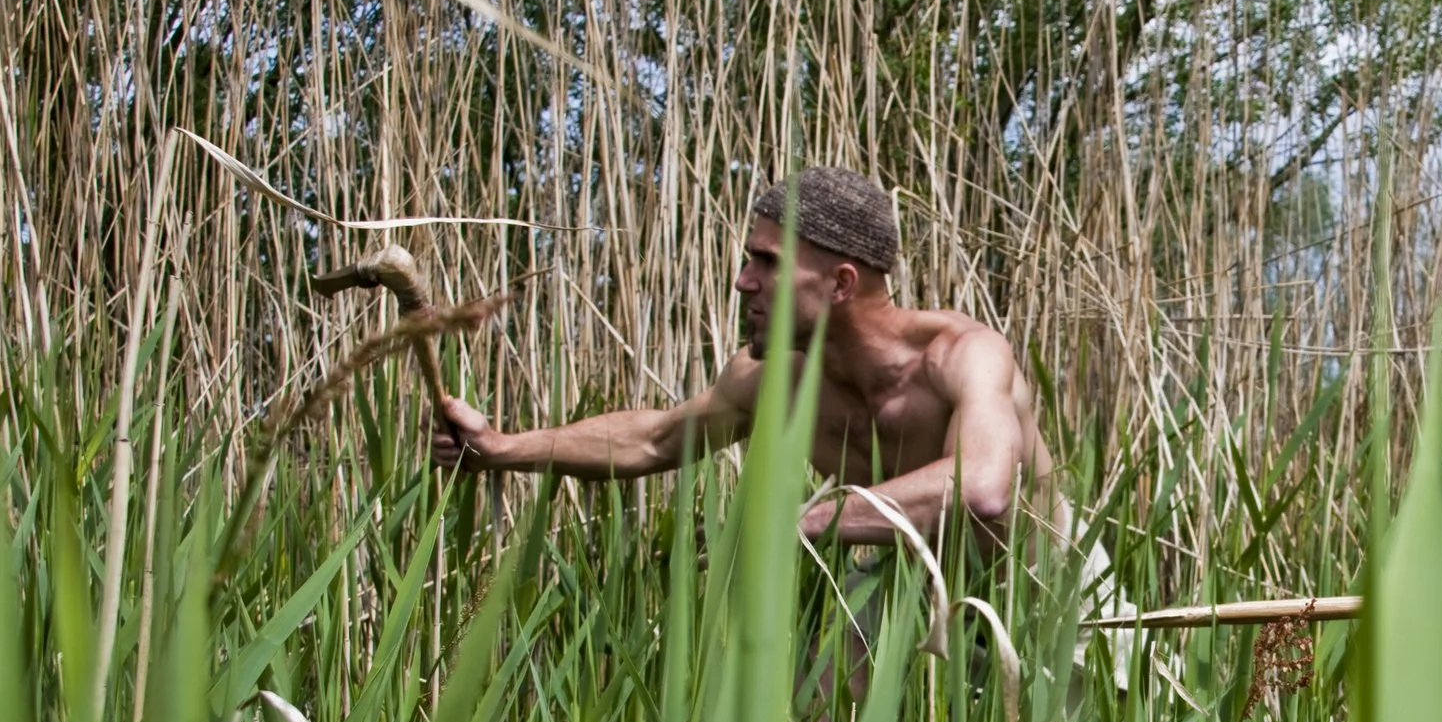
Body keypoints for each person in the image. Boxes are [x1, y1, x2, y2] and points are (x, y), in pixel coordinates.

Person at [430, 165, 1055, 548]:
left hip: (1043, 592)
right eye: (748, 257)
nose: (742, 281)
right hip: (911, 577)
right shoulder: (771, 380)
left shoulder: (963, 356)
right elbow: (655, 441)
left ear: (840, 284)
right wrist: (505, 448)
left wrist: (802, 525)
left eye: (769, 263)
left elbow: (981, 489)